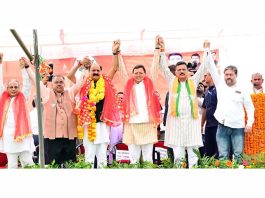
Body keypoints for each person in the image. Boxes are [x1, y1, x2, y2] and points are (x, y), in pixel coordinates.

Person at [67, 40, 121, 168]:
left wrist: (114, 52)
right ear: (89, 72)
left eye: (98, 70)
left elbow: (115, 68)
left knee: (102, 155)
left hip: (102, 124)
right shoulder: (83, 83)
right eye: (93, 70)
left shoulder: (106, 81)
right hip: (88, 124)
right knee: (89, 156)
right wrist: (79, 63)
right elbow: (69, 76)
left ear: (101, 72)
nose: (95, 72)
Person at [156, 35, 207, 168]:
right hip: (176, 124)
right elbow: (163, 67)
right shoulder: (171, 81)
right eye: (179, 70)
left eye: (184, 69)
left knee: (193, 155)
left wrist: (206, 50)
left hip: (191, 123)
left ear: (188, 71)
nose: (182, 71)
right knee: (178, 156)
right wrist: (161, 50)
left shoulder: (194, 81)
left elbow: (203, 68)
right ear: (176, 72)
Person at [24, 59, 86, 166]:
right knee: (52, 166)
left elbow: (81, 82)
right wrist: (27, 67)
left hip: (69, 138)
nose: (59, 84)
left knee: (70, 165)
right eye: (56, 82)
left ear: (64, 83)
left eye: (61, 82)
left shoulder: (70, 92)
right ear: (52, 84)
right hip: (51, 138)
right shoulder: (46, 93)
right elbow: (36, 80)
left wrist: (85, 68)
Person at [205, 41, 254, 164]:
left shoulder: (243, 89)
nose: (228, 77)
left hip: (238, 126)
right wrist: (206, 50)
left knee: (238, 156)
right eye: (226, 74)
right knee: (223, 156)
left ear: (236, 75)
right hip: (222, 126)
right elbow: (211, 66)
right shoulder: (220, 84)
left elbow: (250, 108)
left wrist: (250, 123)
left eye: (231, 74)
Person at [116, 40, 161, 164]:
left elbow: (155, 67)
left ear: (145, 74)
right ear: (132, 74)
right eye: (136, 73)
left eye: (141, 73)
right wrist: (117, 53)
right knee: (134, 159)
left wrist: (157, 49)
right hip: (132, 124)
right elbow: (122, 70)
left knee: (148, 158)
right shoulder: (128, 84)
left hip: (147, 124)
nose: (138, 75)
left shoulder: (150, 83)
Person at [0, 56, 35, 168]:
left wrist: (23, 68)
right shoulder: (3, 97)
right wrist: (0, 64)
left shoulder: (23, 95)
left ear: (19, 88)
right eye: (11, 87)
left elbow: (27, 83)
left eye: (16, 87)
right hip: (9, 135)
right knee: (12, 164)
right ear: (7, 88)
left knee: (27, 162)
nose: (14, 89)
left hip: (23, 135)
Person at [201, 72, 219, 158]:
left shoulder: (219, 89)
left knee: (218, 150)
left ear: (212, 75)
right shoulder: (207, 90)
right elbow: (205, 108)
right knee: (208, 151)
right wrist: (201, 125)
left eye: (205, 75)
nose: (204, 77)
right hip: (208, 125)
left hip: (218, 125)